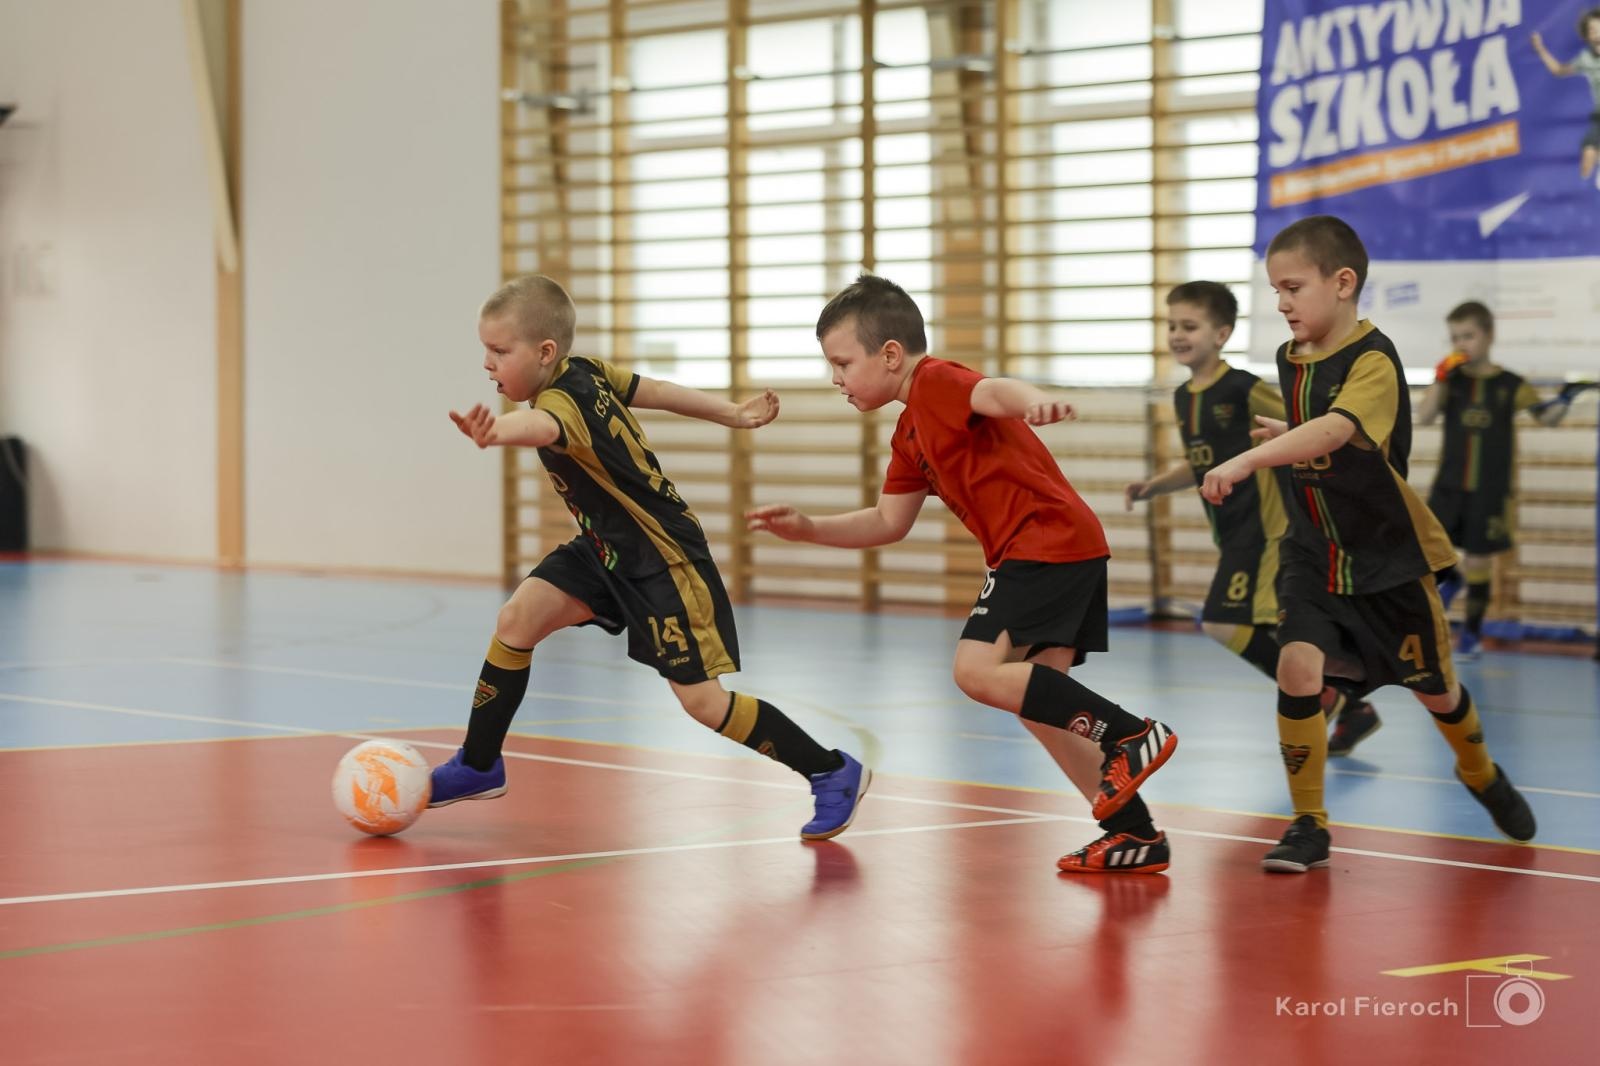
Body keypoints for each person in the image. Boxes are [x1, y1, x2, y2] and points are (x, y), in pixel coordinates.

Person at [747, 274, 1179, 874]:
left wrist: (1031, 402)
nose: (835, 378)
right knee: (1041, 705)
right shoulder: (909, 431)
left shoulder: (934, 381)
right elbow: (886, 521)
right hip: (1056, 547)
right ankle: (1134, 833)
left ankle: (1131, 735)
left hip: (1043, 541)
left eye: (842, 362)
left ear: (890, 354)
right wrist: (809, 528)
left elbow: (993, 391)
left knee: (976, 672)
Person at [431, 274, 870, 841]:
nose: (488, 364)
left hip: (661, 558)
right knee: (518, 619)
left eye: (499, 352)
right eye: (485, 351)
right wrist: (730, 413)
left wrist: (497, 434)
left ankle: (831, 771)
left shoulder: (561, 404)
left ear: (544, 352)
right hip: (604, 551)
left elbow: (541, 426)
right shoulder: (583, 370)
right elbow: (655, 389)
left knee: (703, 703)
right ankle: (479, 763)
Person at [1201, 216, 1535, 873]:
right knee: (1297, 667)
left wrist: (1247, 461)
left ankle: (1478, 768)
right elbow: (1310, 427)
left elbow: (1334, 431)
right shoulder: (1290, 358)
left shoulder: (1375, 360)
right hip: (1313, 550)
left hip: (1385, 558)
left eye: (1293, 286)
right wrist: (1284, 431)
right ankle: (1309, 824)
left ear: (1344, 282)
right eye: (1275, 290)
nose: (1282, 302)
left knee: (1437, 692)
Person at [1125, 281, 1380, 756]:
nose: (1178, 335)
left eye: (1190, 326)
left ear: (1221, 334)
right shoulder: (1185, 397)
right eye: (1172, 326)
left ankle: (1328, 695)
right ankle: (1352, 702)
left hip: (1269, 529)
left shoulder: (1244, 388)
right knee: (1279, 628)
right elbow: (1201, 462)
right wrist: (1154, 486)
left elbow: (1309, 427)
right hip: (1234, 531)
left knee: (1224, 621)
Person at [1417, 300, 1587, 659]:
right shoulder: (1454, 380)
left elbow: (1547, 418)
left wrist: (1565, 399)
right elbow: (1427, 415)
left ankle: (1472, 636)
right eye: (1455, 337)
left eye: (1469, 335)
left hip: (1489, 489)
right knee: (1431, 555)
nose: (1462, 343)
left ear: (1488, 335)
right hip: (1448, 485)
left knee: (1479, 560)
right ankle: (1450, 590)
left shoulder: (1511, 384)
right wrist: (1439, 376)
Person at [1532, 10, 1600, 187]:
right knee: (1587, 162)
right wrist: (1541, 50)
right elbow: (1559, 71)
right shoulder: (1585, 59)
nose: (1596, 32)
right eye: (1592, 29)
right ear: (1586, 36)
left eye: (1599, 27)